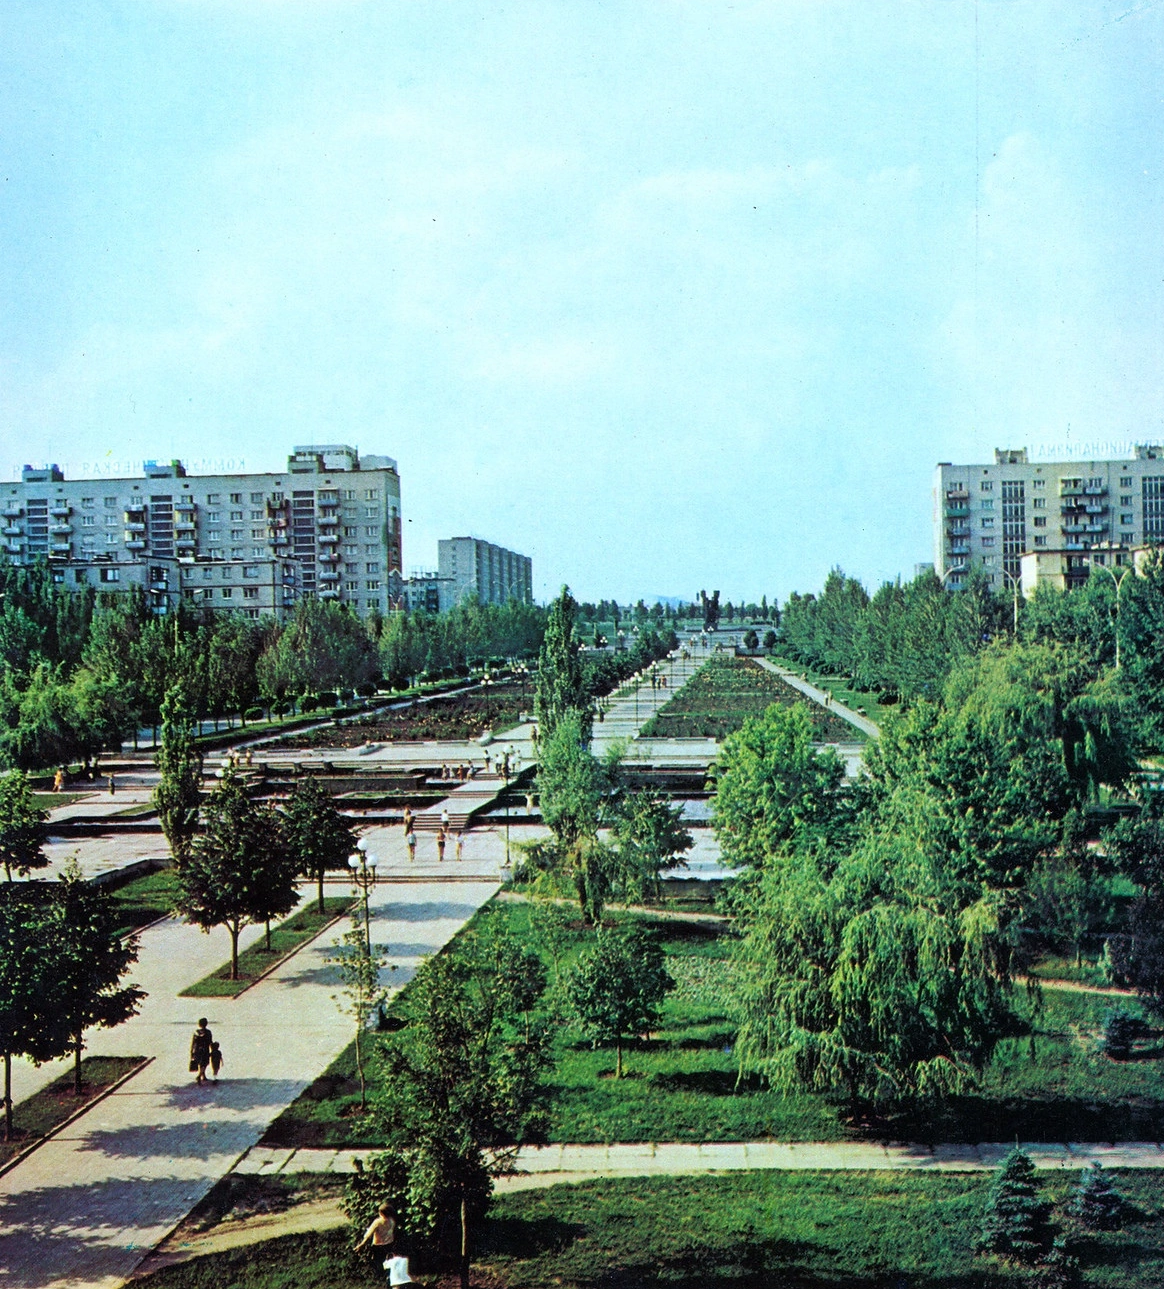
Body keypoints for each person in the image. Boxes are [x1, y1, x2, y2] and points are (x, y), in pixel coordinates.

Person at [190, 1018, 212, 1084]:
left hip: (197, 1049)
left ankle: (203, 1075)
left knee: (200, 1063)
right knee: (204, 1063)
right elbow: (210, 1041)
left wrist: (192, 1051)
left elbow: (193, 1042)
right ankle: (199, 1075)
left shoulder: (196, 1032)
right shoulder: (208, 1032)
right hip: (205, 1049)